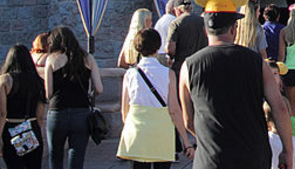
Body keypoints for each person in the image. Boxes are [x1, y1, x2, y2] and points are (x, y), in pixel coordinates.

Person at [179, 0, 293, 169]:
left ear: (205, 30)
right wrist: (288, 150)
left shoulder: (189, 66)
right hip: (252, 154)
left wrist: (210, 138)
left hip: (211, 158)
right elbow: (279, 107)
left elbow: (188, 120)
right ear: (234, 29)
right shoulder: (257, 62)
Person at [117, 27, 194, 168]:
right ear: (158, 47)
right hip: (161, 131)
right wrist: (186, 141)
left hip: (137, 130)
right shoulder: (168, 74)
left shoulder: (130, 74)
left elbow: (125, 110)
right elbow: (174, 110)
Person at [44, 26, 103, 169]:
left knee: (55, 155)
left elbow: (49, 93)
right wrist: (91, 94)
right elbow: (99, 89)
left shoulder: (51, 60)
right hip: (81, 113)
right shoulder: (88, 58)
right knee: (77, 155)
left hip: (58, 112)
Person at [0, 44, 46, 169]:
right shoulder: (38, 81)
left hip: (11, 129)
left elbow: (2, 113)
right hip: (32, 127)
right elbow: (40, 115)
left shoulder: (5, 81)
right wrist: (36, 130)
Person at [167, 0, 207, 80]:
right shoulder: (203, 21)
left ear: (178, 9)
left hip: (181, 67)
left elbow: (170, 49)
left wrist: (170, 57)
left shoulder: (175, 23)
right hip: (201, 67)